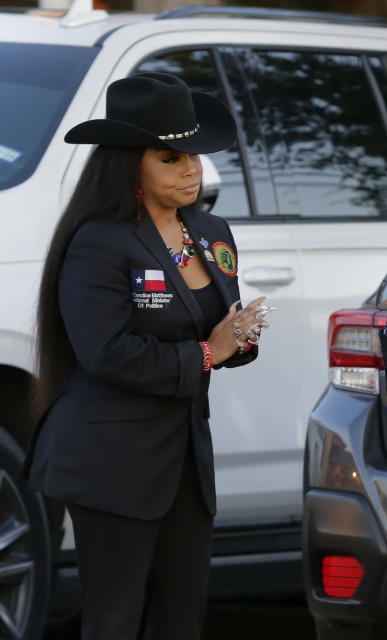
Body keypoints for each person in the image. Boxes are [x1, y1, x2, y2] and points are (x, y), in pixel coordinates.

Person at [24, 72, 269, 640]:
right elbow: (107, 354)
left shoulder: (211, 230)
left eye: (195, 156)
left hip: (185, 456)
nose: (190, 169)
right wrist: (210, 352)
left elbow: (215, 331)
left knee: (182, 618)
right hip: (108, 457)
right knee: (114, 620)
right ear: (128, 163)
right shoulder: (98, 240)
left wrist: (240, 340)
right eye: (170, 157)